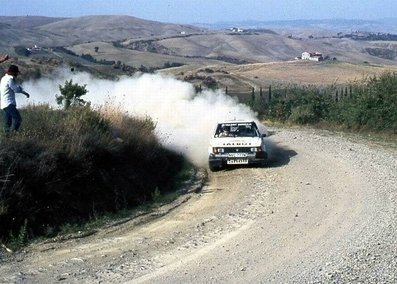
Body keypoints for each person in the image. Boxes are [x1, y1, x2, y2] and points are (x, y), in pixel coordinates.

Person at [0, 64, 30, 133]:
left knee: (7, 123)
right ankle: (12, 134)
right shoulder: (9, 79)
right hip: (9, 103)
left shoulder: (3, 78)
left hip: (3, 104)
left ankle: (7, 138)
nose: (17, 74)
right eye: (16, 72)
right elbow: (16, 89)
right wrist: (24, 92)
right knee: (17, 119)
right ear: (13, 72)